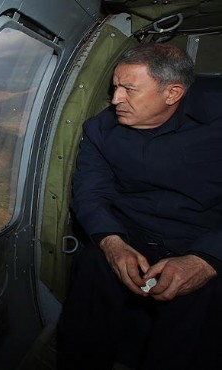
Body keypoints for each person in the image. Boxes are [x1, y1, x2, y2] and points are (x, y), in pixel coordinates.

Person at [56, 42, 222, 370]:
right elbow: (90, 193)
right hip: (131, 229)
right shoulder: (100, 129)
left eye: (129, 89)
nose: (116, 99)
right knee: (93, 263)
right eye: (115, 87)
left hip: (204, 235)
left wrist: (206, 260)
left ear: (172, 92)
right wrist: (113, 244)